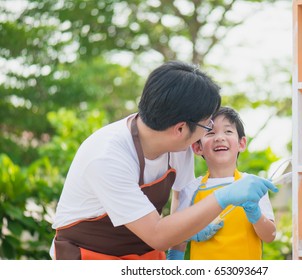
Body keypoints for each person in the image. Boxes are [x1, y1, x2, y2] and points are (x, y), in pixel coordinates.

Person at [50, 61, 278, 260]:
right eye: (207, 126)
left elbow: (180, 211)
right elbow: (158, 234)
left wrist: (178, 252)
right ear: (180, 128)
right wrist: (225, 195)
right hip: (91, 256)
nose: (210, 132)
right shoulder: (107, 157)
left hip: (146, 254)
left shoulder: (180, 147)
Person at [167, 107, 277, 260]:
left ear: (242, 143)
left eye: (228, 132)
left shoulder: (252, 186)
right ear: (197, 147)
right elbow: (176, 237)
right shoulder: (191, 190)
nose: (219, 137)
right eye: (210, 133)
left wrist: (256, 214)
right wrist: (191, 234)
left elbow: (269, 236)